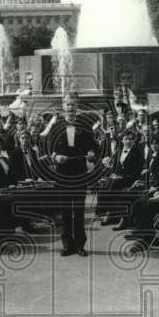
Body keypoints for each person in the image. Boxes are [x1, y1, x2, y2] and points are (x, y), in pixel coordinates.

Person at [43, 95, 100, 257]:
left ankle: (81, 245)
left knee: (79, 210)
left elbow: (94, 148)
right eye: (68, 105)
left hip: (80, 172)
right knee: (66, 210)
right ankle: (68, 245)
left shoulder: (85, 126)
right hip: (63, 173)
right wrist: (55, 157)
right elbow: (47, 149)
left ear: (77, 106)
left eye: (73, 105)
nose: (70, 108)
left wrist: (91, 154)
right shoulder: (56, 127)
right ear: (63, 106)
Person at [96, 130, 143, 225]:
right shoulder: (119, 151)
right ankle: (109, 213)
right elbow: (115, 167)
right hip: (118, 178)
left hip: (130, 178)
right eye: (126, 139)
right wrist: (113, 174)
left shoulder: (137, 153)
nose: (128, 141)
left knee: (111, 185)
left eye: (131, 139)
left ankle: (110, 214)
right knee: (104, 184)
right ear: (122, 140)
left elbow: (136, 171)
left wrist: (121, 177)